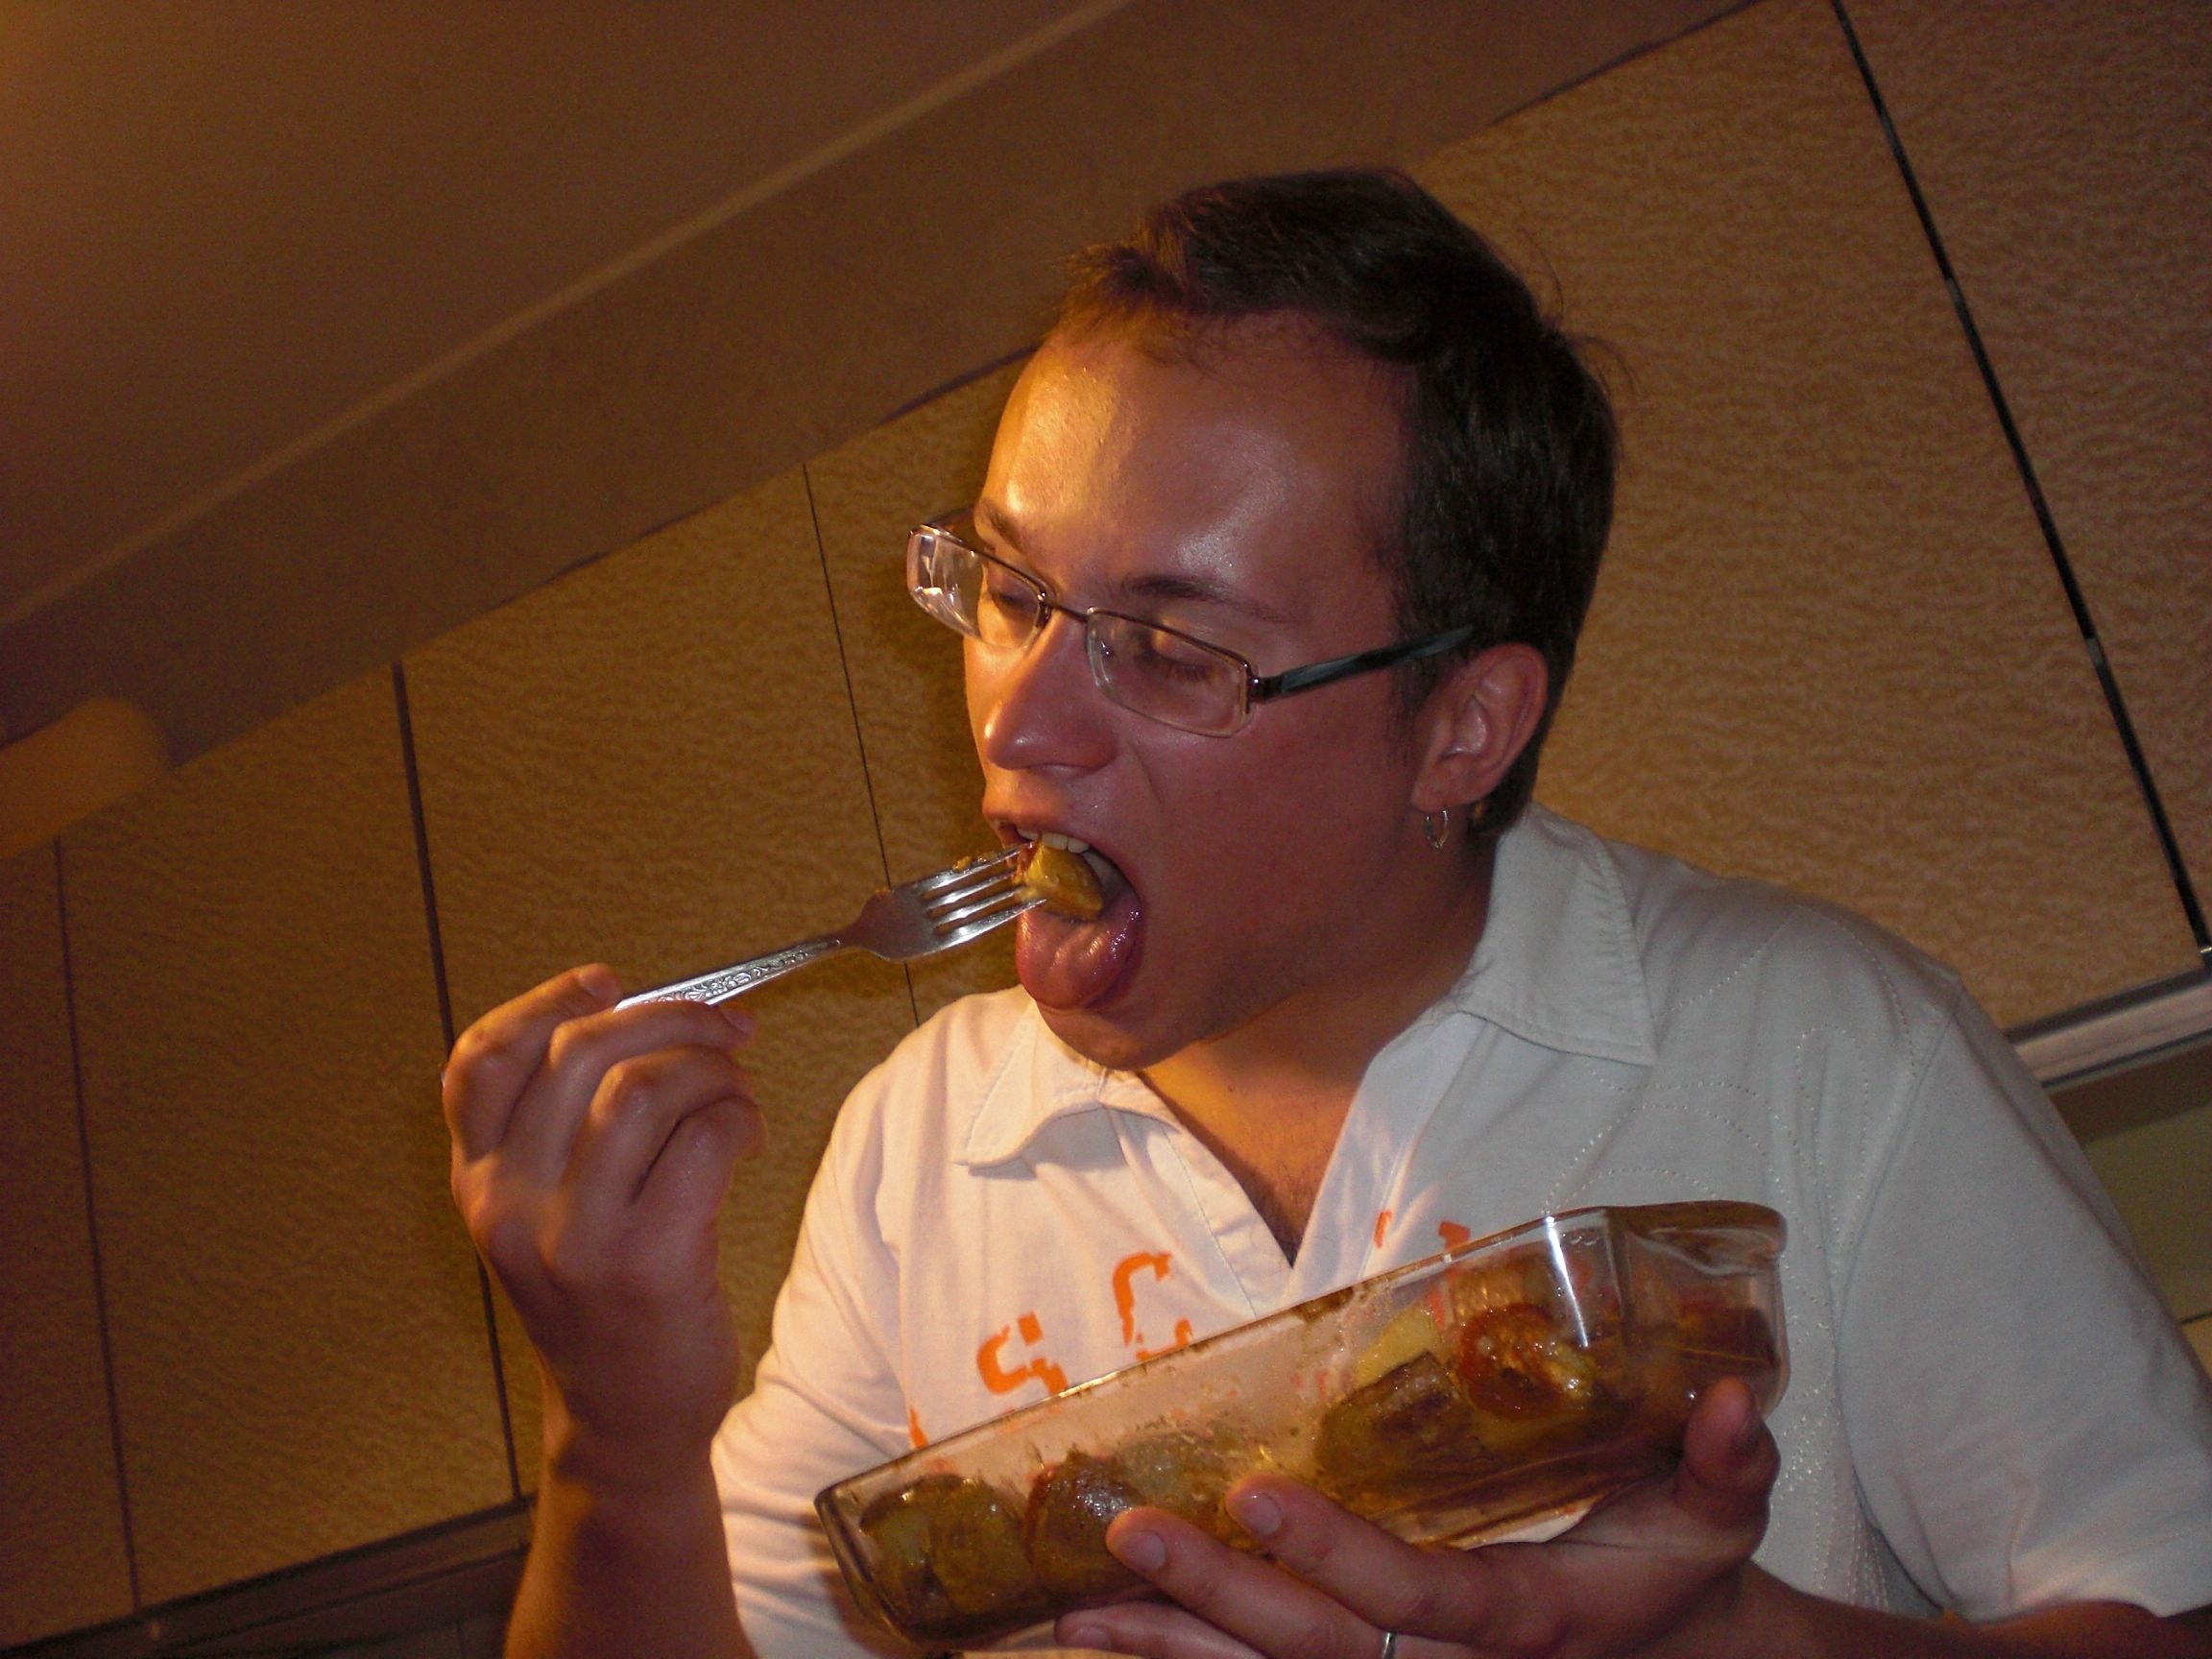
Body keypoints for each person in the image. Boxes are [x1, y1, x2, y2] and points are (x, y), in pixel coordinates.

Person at [444, 170, 2212, 1658]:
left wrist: (1733, 1642)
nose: (1018, 724)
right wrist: (619, 1435)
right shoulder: (919, 1150)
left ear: (1461, 729)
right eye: (1010, 593)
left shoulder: (1820, 1047)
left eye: (1169, 647)